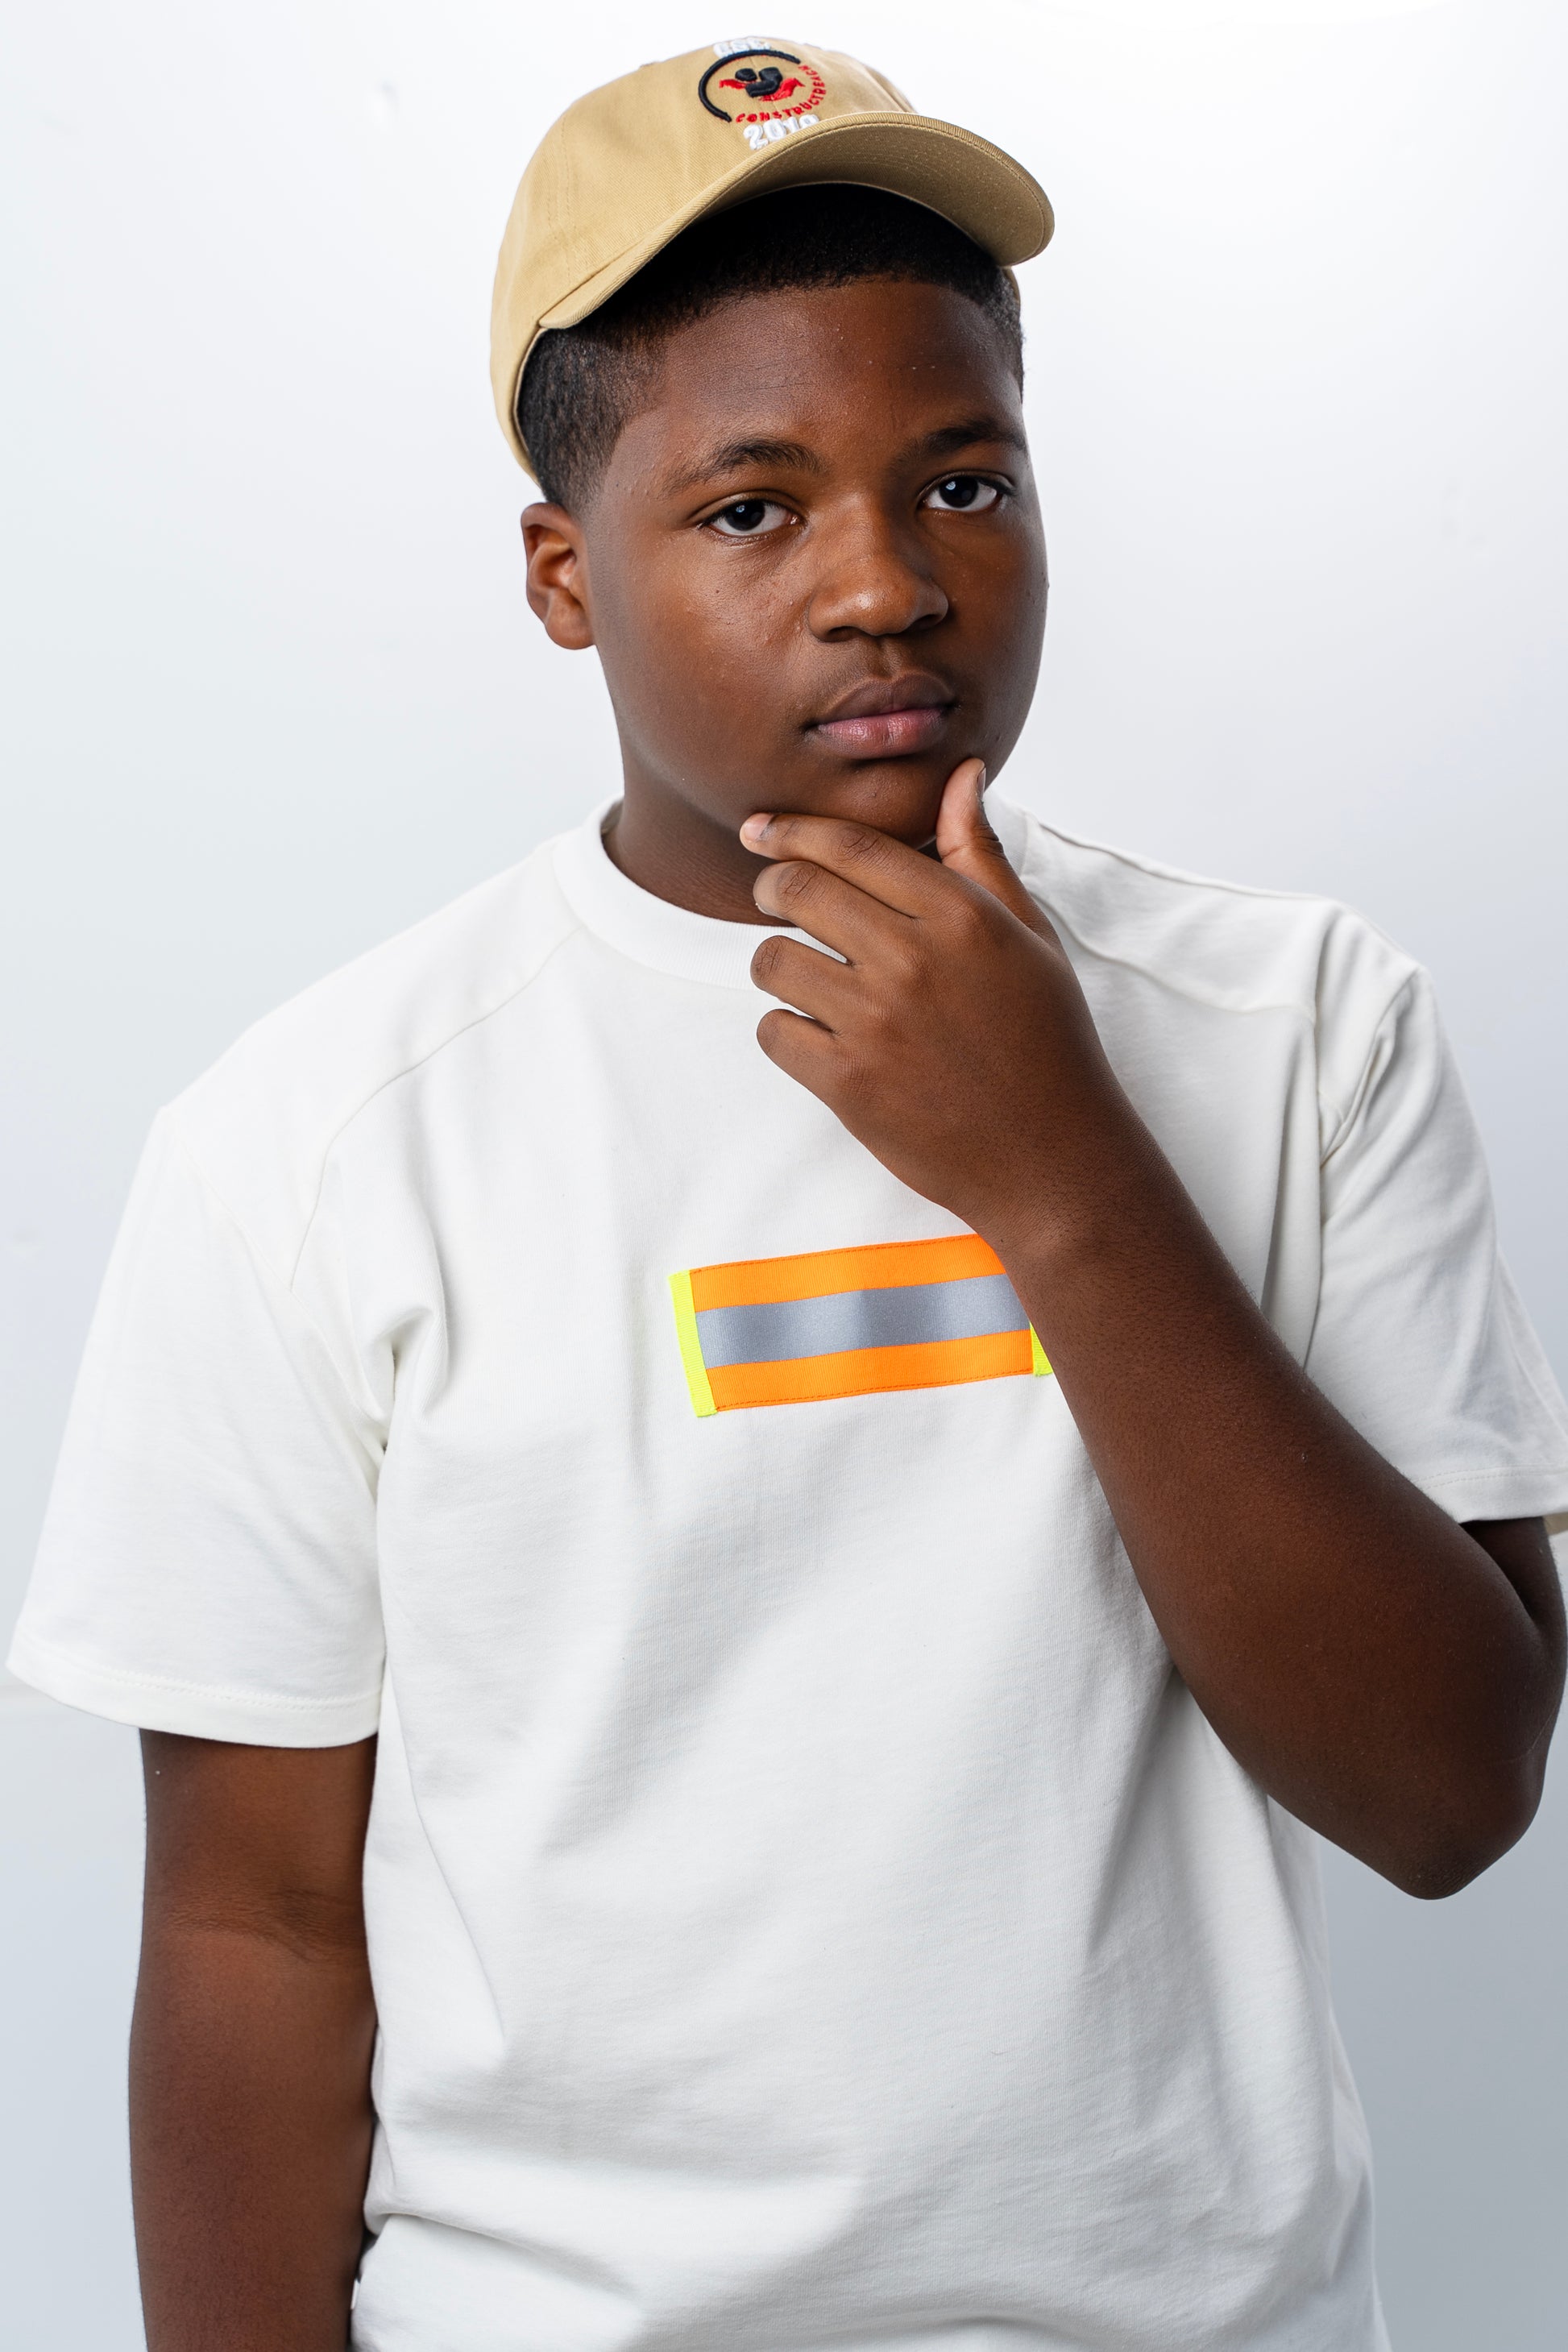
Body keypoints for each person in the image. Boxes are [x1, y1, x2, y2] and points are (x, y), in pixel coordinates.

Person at [10, 36, 1568, 2352]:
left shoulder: (1295, 1023)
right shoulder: (320, 1139)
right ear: (565, 576)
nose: (888, 588)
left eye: (965, 481)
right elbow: (255, 1927)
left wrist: (1060, 1168)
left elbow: (1446, 1792)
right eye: (752, 509)